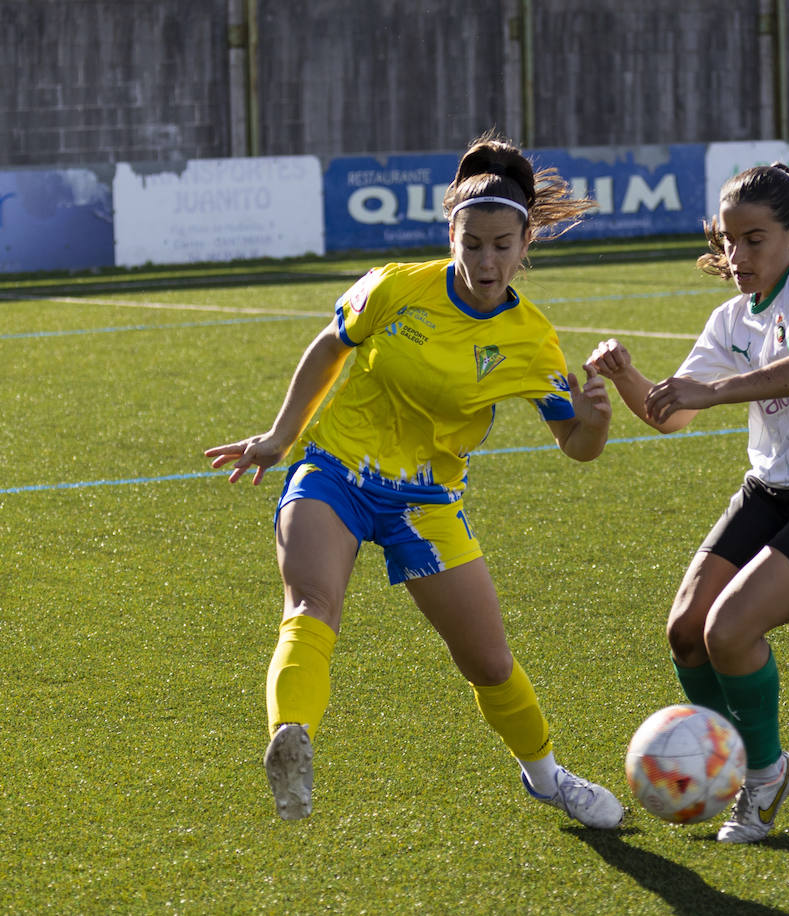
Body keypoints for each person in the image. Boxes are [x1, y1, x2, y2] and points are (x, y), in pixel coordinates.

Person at [203, 131, 624, 828]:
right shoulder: (397, 286)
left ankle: (546, 776)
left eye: (501, 246)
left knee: (488, 664)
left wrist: (597, 418)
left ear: (525, 247)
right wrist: (281, 438)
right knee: (311, 605)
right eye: (473, 244)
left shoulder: (531, 338)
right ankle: (292, 738)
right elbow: (329, 347)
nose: (487, 261)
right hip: (335, 469)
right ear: (451, 237)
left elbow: (575, 445)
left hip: (425, 502)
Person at [584, 163, 789, 843]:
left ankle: (762, 775)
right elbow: (669, 414)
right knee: (685, 630)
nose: (737, 257)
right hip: (774, 487)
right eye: (728, 242)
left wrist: (714, 392)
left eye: (755, 239)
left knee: (728, 630)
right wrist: (627, 375)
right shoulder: (730, 318)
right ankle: (729, 762)